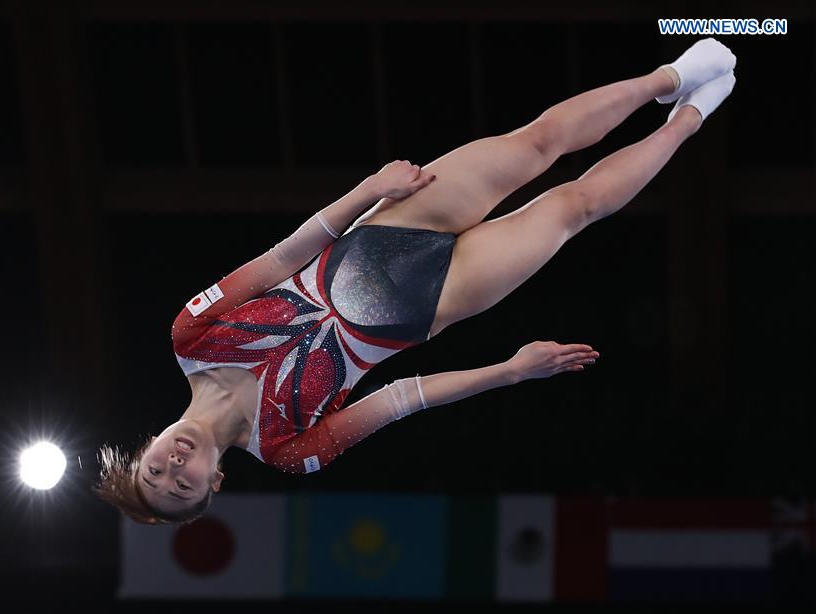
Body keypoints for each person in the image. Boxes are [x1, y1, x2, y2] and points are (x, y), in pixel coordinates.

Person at [94, 37, 736, 525]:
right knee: (574, 207)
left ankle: (669, 77)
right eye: (183, 485)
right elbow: (404, 398)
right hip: (436, 301)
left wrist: (368, 191)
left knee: (537, 143)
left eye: (156, 470)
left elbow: (283, 255)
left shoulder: (191, 336)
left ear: (149, 446)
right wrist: (508, 371)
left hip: (385, 229)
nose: (175, 466)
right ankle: (686, 120)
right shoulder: (287, 449)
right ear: (214, 483)